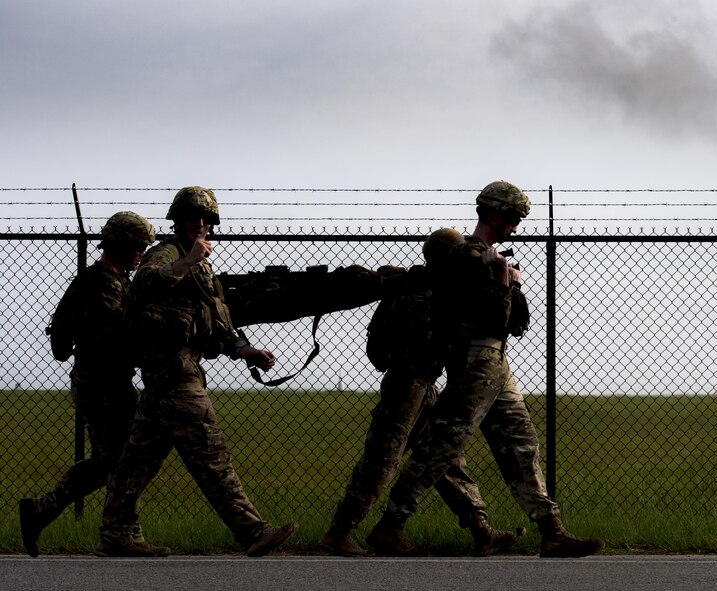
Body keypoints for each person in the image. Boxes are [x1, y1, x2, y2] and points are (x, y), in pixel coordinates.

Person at [368, 181, 605, 558]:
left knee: (520, 443)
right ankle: (390, 526)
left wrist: (506, 281)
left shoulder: (486, 257)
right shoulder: (470, 258)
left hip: (494, 363)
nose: (516, 225)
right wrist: (505, 284)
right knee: (441, 447)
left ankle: (552, 531)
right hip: (474, 361)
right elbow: (498, 319)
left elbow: (514, 324)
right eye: (512, 217)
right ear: (493, 213)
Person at [95, 186, 297, 557]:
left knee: (138, 459)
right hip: (172, 371)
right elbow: (145, 281)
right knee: (210, 451)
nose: (200, 225)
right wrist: (188, 260)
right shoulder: (166, 254)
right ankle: (253, 532)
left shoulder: (200, 264)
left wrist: (243, 349)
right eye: (193, 218)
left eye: (207, 220)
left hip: (175, 371)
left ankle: (116, 532)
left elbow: (215, 320)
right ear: (178, 220)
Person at [320, 228, 525, 557]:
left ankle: (481, 530)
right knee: (382, 459)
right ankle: (339, 533)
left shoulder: (413, 285)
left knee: (445, 457)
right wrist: (501, 284)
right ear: (450, 257)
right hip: (408, 385)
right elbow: (482, 327)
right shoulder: (434, 292)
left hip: (422, 383)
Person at [19, 212, 156, 558]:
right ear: (122, 246)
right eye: (138, 247)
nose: (141, 253)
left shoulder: (111, 280)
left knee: (113, 460)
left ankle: (43, 510)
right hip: (103, 384)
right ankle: (118, 533)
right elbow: (115, 335)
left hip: (104, 382)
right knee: (125, 460)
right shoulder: (103, 283)